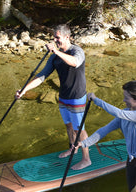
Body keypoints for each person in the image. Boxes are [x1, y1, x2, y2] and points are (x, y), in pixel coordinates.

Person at [16, 24, 91, 170]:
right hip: (63, 96)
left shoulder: (77, 51)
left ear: (67, 37)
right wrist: (24, 90)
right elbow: (42, 76)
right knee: (68, 126)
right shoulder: (53, 58)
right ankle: (73, 148)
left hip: (77, 97)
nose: (55, 40)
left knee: (79, 129)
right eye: (54, 37)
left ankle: (86, 159)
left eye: (57, 37)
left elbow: (75, 62)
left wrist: (56, 52)